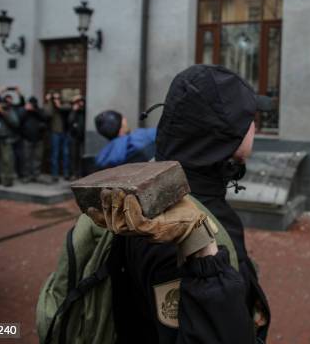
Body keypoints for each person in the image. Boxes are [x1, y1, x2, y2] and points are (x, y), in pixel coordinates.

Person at [90, 64, 272, 343]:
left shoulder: (189, 191)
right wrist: (206, 260)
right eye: (249, 119)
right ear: (225, 135)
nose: (254, 126)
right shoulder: (168, 227)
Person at [18, 96, 49, 183]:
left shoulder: (39, 111)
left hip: (38, 139)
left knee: (37, 158)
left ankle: (36, 175)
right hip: (27, 139)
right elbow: (19, 121)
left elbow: (45, 118)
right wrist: (26, 110)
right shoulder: (24, 111)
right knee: (26, 158)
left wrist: (35, 110)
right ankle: (27, 175)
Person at [44, 91, 71, 182]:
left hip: (65, 133)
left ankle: (66, 173)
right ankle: (54, 175)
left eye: (58, 98)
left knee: (65, 154)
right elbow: (47, 113)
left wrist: (58, 104)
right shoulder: (51, 107)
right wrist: (49, 102)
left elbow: (68, 108)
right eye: (54, 98)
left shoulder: (64, 105)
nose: (56, 100)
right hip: (55, 133)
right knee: (55, 154)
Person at [68, 96, 86, 179]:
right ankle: (73, 174)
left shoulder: (84, 111)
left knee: (80, 157)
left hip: (82, 137)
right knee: (73, 156)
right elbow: (70, 121)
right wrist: (74, 111)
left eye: (81, 102)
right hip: (73, 137)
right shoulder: (74, 112)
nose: (80, 104)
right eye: (78, 102)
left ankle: (80, 174)